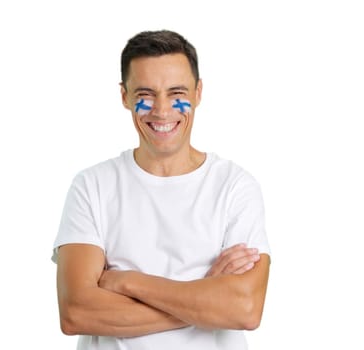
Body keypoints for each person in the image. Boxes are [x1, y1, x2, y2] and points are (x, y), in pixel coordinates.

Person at [52, 30, 271, 350]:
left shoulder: (235, 186)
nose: (162, 110)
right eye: (146, 93)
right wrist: (206, 296)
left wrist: (126, 282)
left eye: (176, 92)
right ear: (124, 96)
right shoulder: (92, 186)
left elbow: (245, 309)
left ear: (198, 92)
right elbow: (76, 312)